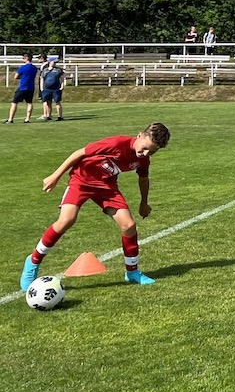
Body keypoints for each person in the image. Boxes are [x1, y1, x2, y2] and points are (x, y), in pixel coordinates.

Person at [20, 123, 171, 291]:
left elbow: (143, 178)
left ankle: (132, 272)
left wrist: (144, 203)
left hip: (107, 187)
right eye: (145, 148)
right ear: (139, 136)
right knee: (66, 220)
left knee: (129, 225)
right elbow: (80, 153)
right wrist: (55, 176)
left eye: (152, 152)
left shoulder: (143, 160)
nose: (146, 153)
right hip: (81, 181)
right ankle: (33, 262)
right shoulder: (116, 143)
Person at [6, 53, 39, 124]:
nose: (23, 59)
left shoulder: (22, 67)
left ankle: (10, 119)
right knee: (29, 103)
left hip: (23, 87)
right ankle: (27, 119)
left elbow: (16, 76)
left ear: (27, 58)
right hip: (31, 87)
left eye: (23, 58)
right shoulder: (34, 68)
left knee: (14, 103)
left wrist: (21, 77)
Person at [40, 55, 65, 121]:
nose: (55, 63)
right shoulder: (45, 70)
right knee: (48, 102)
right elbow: (42, 78)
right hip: (47, 89)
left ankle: (60, 116)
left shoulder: (58, 70)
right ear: (50, 62)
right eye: (54, 62)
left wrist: (62, 86)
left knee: (57, 102)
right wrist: (41, 88)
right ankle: (49, 115)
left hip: (56, 88)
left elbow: (62, 78)